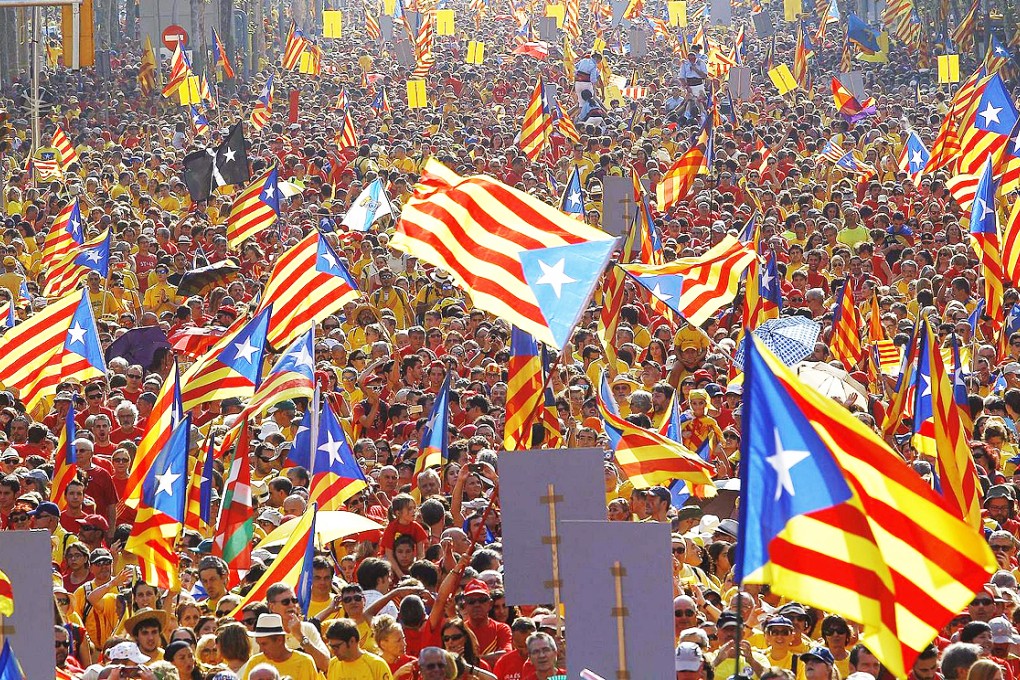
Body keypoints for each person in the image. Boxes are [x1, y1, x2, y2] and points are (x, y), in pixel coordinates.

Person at [239, 613, 319, 680]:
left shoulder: (304, 662)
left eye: (264, 644)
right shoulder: (255, 662)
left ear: (279, 640)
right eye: (259, 644)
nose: (261, 649)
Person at [324, 617, 393, 679]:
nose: (333, 651)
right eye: (331, 646)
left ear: (352, 641)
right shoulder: (333, 664)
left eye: (336, 646)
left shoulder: (376, 665)